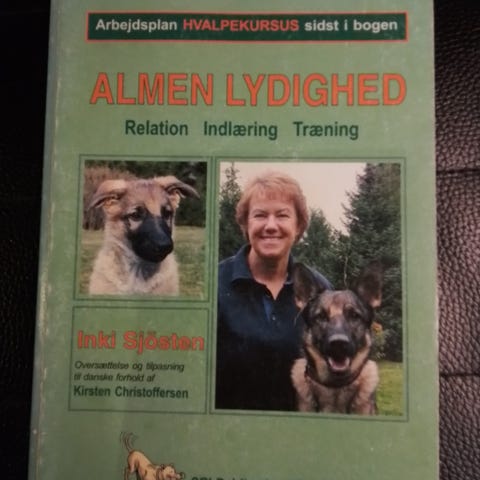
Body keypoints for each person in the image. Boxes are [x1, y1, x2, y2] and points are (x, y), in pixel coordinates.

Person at [215, 170, 331, 411]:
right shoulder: (215, 283)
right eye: (259, 215)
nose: (270, 226)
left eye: (282, 215)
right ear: (245, 224)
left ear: (298, 226)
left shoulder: (321, 291)